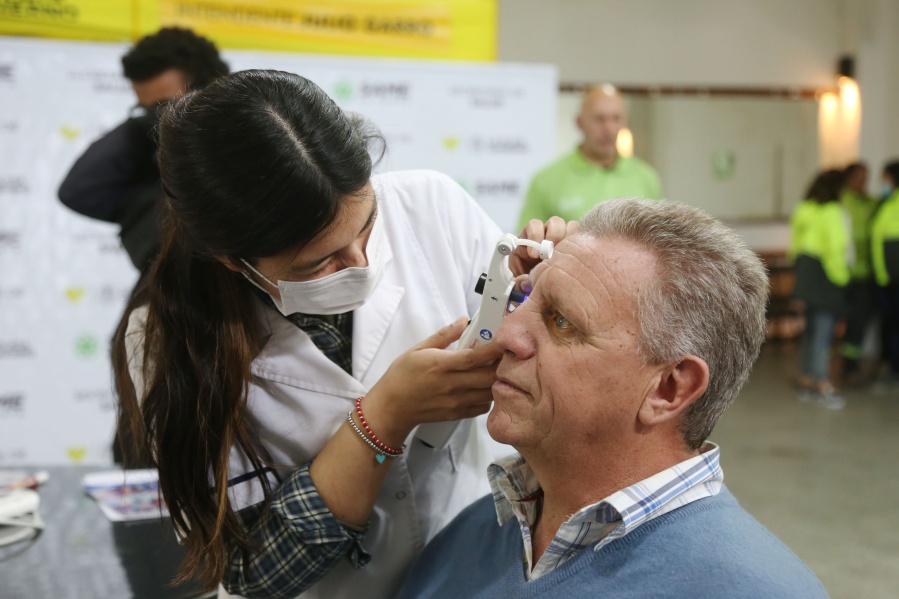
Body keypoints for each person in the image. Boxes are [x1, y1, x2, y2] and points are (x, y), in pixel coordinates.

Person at [111, 69, 572, 599]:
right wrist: (384, 416)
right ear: (232, 261)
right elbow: (253, 572)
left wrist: (541, 292)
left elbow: (536, 352)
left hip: (464, 570)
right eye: (320, 262)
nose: (361, 267)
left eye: (368, 227)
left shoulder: (431, 206)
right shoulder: (168, 343)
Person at [399, 198, 828, 598]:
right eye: (522, 299)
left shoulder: (750, 589)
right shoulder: (473, 535)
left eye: (562, 322)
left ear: (668, 389)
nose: (507, 335)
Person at [58, 27, 229, 275]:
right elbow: (79, 190)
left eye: (167, 105)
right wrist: (140, 123)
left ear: (210, 92)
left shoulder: (257, 148)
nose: (159, 121)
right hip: (168, 291)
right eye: (148, 109)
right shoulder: (150, 157)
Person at [517, 84, 662, 228]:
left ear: (625, 123)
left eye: (616, 118)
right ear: (580, 122)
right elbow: (528, 242)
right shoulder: (546, 181)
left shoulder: (646, 178)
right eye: (599, 119)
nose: (608, 128)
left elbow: (658, 239)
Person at [790, 169, 851, 409]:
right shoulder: (832, 211)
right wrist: (842, 277)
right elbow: (836, 247)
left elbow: (794, 243)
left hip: (805, 267)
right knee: (823, 332)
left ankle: (806, 380)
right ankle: (822, 384)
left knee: (811, 330)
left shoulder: (804, 208)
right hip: (825, 272)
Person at [839, 162, 876, 383]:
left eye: (866, 178)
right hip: (845, 273)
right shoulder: (841, 201)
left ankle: (850, 366)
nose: (864, 183)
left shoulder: (871, 203)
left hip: (867, 273)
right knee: (839, 320)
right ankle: (826, 370)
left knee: (859, 321)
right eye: (860, 178)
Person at [869, 160, 899, 390]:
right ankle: (889, 366)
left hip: (893, 279)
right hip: (886, 280)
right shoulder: (885, 204)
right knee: (889, 324)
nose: (882, 183)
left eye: (885, 178)